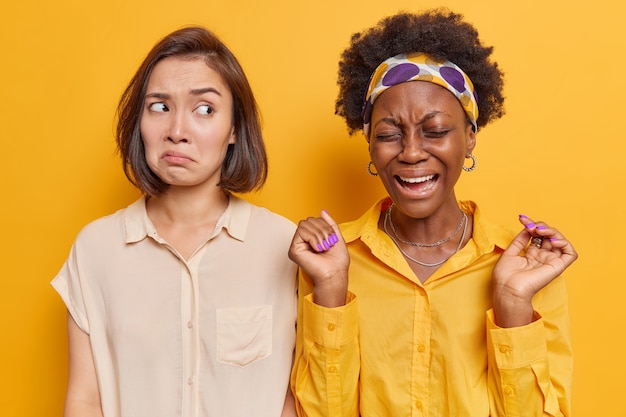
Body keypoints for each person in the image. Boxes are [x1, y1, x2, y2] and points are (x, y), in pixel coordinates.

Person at [288, 9, 578, 417]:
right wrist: (332, 290)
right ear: (370, 145)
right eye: (388, 135)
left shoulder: (525, 267)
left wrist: (513, 304)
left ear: (470, 137)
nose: (410, 152)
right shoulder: (328, 260)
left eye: (436, 131)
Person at [51, 27, 297, 417]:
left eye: (204, 109)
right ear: (140, 123)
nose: (177, 132)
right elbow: (85, 400)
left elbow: (292, 399)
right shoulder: (96, 248)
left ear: (234, 128)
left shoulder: (284, 245)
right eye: (160, 107)